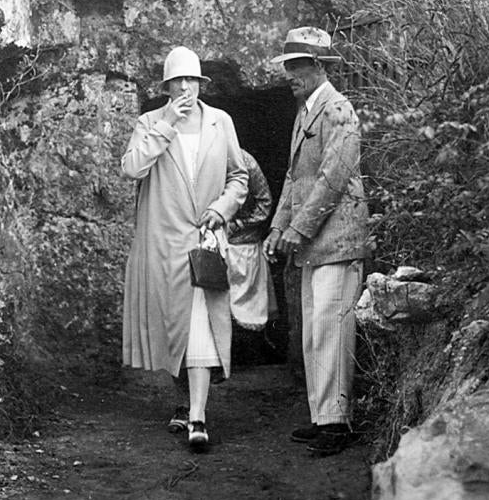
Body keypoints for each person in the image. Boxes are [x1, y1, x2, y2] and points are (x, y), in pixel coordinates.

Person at [121, 46, 248, 452]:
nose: (186, 88)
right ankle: (183, 403)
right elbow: (132, 168)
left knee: (200, 329)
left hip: (206, 239)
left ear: (201, 84)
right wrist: (166, 126)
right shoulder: (150, 121)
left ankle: (197, 417)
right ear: (167, 87)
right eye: (178, 82)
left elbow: (239, 178)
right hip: (165, 244)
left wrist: (222, 208)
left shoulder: (220, 122)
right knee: (174, 326)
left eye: (192, 80)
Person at [264, 26, 370, 456]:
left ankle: (338, 424)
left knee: (332, 329)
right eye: (288, 65)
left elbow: (332, 179)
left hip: (339, 239)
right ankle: (324, 417)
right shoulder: (306, 112)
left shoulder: (338, 110)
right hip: (314, 245)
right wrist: (277, 227)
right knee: (315, 332)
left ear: (320, 66)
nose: (291, 73)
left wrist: (296, 229)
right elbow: (294, 178)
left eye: (299, 65)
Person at [225, 148, 275, 333]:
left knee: (248, 316)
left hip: (244, 247)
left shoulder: (246, 162)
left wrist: (238, 224)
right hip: (213, 246)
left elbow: (264, 202)